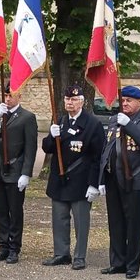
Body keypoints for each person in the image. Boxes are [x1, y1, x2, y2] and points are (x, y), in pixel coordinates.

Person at [96, 86, 140, 278]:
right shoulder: (115, 120)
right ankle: (117, 262)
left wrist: (129, 126)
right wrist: (101, 178)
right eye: (122, 101)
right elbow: (107, 149)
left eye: (129, 101)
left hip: (135, 178)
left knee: (133, 224)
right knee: (115, 222)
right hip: (113, 177)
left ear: (139, 102)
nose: (124, 104)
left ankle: (132, 265)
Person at [41, 83, 105, 270]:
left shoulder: (92, 124)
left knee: (81, 221)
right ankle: (61, 253)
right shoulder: (60, 121)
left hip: (81, 179)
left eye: (74, 99)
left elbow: (97, 156)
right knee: (59, 218)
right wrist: (52, 137)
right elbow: (47, 148)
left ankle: (79, 256)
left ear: (82, 102)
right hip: (60, 179)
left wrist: (94, 184)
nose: (70, 102)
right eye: (67, 99)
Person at [0, 82, 38, 264]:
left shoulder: (27, 117)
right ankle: (3, 246)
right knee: (0, 210)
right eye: (5, 96)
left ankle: (14, 247)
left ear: (19, 97)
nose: (7, 99)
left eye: (11, 96)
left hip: (15, 170)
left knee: (15, 212)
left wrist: (26, 173)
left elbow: (30, 148)